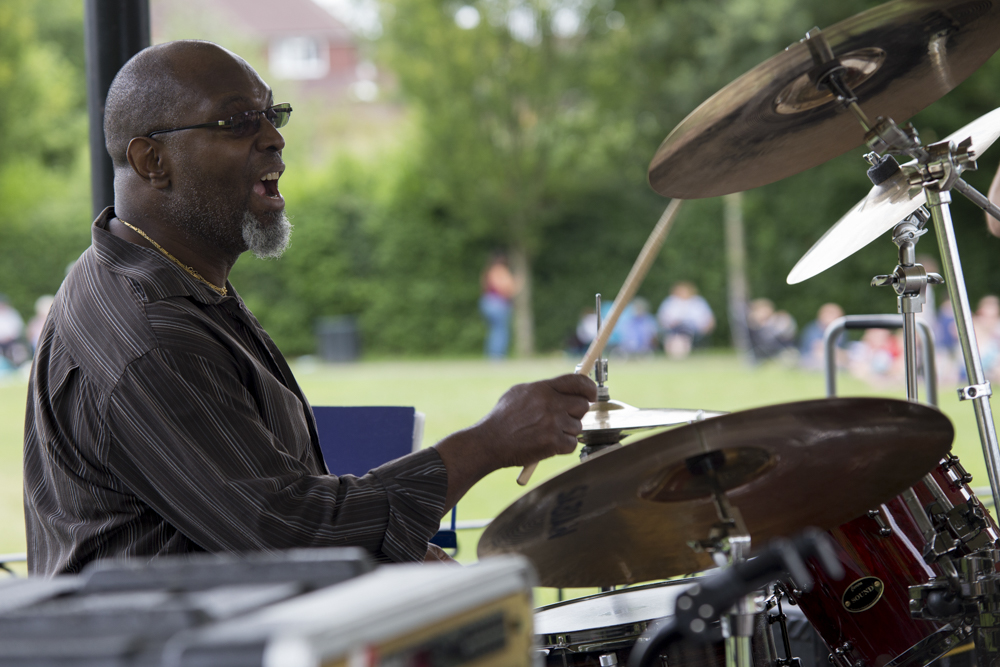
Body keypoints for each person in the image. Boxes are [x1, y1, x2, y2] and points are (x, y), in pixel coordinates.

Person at [23, 41, 596, 577]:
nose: (273, 138)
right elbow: (290, 531)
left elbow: (259, 511)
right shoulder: (152, 332)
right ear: (152, 160)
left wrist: (395, 562)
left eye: (274, 115)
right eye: (237, 122)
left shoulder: (169, 280)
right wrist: (488, 442)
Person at [656, 281, 715, 359]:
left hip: (693, 329)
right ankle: (678, 351)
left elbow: (709, 319)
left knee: (684, 330)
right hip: (673, 328)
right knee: (678, 331)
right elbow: (662, 318)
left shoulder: (698, 302)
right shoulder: (670, 302)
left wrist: (706, 329)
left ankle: (677, 352)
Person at [479, 252, 518, 359]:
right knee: (500, 330)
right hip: (497, 303)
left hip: (487, 301)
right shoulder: (500, 270)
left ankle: (492, 356)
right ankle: (497, 357)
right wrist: (516, 284)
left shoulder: (489, 271)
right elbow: (506, 288)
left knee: (494, 330)